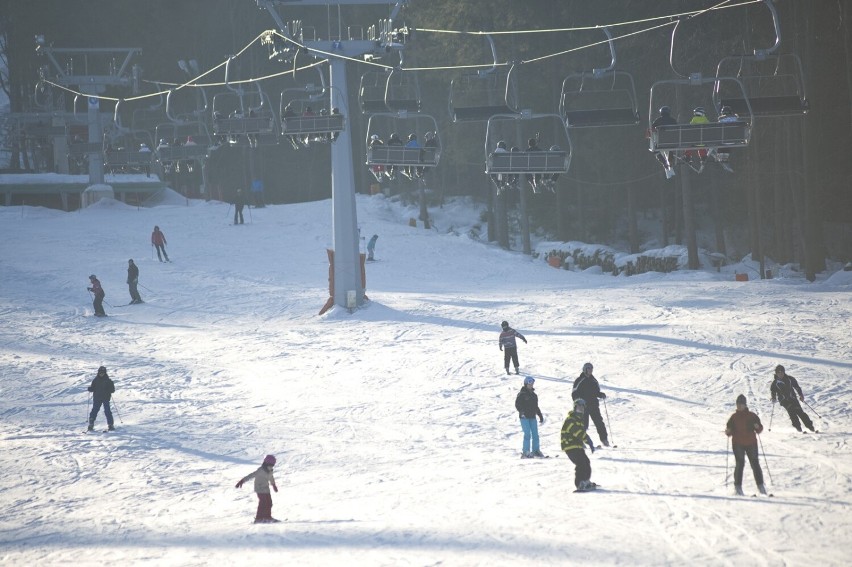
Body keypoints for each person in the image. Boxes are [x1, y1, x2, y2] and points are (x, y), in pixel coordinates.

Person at [725, 394, 766, 496]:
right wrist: (728, 431)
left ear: (745, 405)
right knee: (740, 464)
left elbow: (759, 429)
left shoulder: (752, 416)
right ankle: (738, 488)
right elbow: (729, 431)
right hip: (738, 443)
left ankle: (761, 487)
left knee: (755, 464)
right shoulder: (733, 417)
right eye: (738, 404)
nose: (739, 406)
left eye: (741, 404)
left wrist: (758, 427)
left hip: (751, 442)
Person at [561, 398, 596, 491]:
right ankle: (580, 483)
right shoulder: (571, 419)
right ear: (575, 407)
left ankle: (586, 481)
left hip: (577, 446)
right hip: (570, 446)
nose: (581, 408)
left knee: (586, 462)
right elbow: (577, 432)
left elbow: (581, 432)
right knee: (580, 463)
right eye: (579, 406)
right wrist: (587, 440)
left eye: (582, 407)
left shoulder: (580, 419)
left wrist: (587, 440)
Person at [571, 362, 610, 447]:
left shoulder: (594, 380)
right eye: (589, 368)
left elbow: (596, 392)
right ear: (585, 369)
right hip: (583, 406)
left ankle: (604, 439)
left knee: (599, 422)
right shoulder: (579, 380)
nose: (590, 370)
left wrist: (600, 394)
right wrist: (578, 402)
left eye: (591, 369)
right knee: (583, 424)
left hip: (594, 405)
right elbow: (574, 393)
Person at [770, 365, 816, 433]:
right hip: (784, 400)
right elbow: (773, 391)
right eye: (779, 373)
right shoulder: (775, 383)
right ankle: (798, 428)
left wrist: (801, 395)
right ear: (776, 373)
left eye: (782, 372)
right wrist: (773, 398)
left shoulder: (790, 379)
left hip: (793, 398)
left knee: (800, 412)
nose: (780, 374)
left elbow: (797, 387)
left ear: (784, 372)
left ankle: (810, 427)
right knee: (792, 412)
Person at [236, 454, 280, 523]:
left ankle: (267, 517)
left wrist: (273, 485)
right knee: (263, 502)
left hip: (266, 488)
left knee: (269, 503)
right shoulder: (260, 470)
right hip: (259, 488)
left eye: (273, 465)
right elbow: (251, 475)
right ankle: (259, 518)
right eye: (271, 465)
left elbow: (271, 477)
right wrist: (242, 481)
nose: (271, 466)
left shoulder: (270, 470)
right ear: (266, 463)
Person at [515, 376, 545, 458]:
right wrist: (521, 412)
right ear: (526, 384)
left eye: (532, 383)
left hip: (532, 417)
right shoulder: (521, 394)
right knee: (527, 434)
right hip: (524, 417)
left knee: (535, 435)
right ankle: (526, 452)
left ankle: (535, 451)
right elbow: (517, 404)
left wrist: (540, 415)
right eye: (529, 383)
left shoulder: (534, 395)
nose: (531, 385)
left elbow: (536, 406)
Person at [651, 105, 678, 179]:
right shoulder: (673, 120)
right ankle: (670, 163)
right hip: (671, 143)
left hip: (661, 143)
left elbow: (652, 129)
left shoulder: (658, 121)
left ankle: (664, 163)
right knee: (670, 149)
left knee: (654, 150)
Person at [87, 366, 115, 431]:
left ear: (105, 373)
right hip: (97, 398)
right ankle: (91, 424)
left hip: (106, 398)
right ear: (98, 372)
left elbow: (113, 390)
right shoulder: (95, 380)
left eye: (103, 372)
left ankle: (110, 424)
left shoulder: (108, 380)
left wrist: (110, 389)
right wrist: (90, 389)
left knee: (107, 411)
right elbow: (93, 388)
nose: (101, 374)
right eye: (100, 372)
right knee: (95, 410)